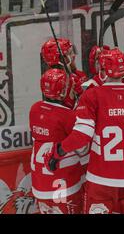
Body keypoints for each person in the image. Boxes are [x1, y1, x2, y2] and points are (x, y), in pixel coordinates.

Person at [44, 48, 124, 214]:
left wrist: (58, 152)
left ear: (102, 69)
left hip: (101, 181)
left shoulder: (92, 95)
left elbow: (82, 136)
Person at [30, 69, 85, 214]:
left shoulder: (35, 109)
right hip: (63, 184)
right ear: (63, 91)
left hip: (40, 183)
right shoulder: (68, 115)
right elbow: (83, 149)